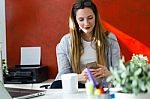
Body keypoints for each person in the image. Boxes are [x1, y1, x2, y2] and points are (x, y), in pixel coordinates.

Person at [55, 0, 120, 87]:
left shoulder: (109, 39)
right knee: (56, 85)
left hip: (102, 88)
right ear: (75, 20)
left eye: (90, 18)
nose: (86, 23)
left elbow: (120, 74)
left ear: (96, 17)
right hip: (79, 88)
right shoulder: (66, 42)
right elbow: (62, 77)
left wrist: (108, 73)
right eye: (81, 19)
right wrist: (79, 77)